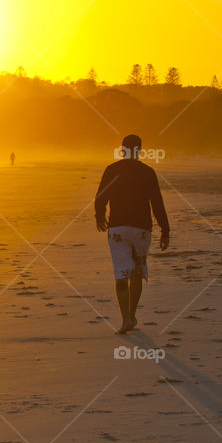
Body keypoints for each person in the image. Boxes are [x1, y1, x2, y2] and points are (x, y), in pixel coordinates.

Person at [94, 135, 169, 334]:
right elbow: (157, 203)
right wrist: (165, 229)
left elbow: (101, 196)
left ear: (122, 149)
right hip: (141, 229)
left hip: (118, 228)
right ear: (140, 150)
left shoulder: (112, 170)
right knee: (136, 271)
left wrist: (99, 216)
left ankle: (125, 318)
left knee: (121, 273)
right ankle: (132, 316)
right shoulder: (147, 172)